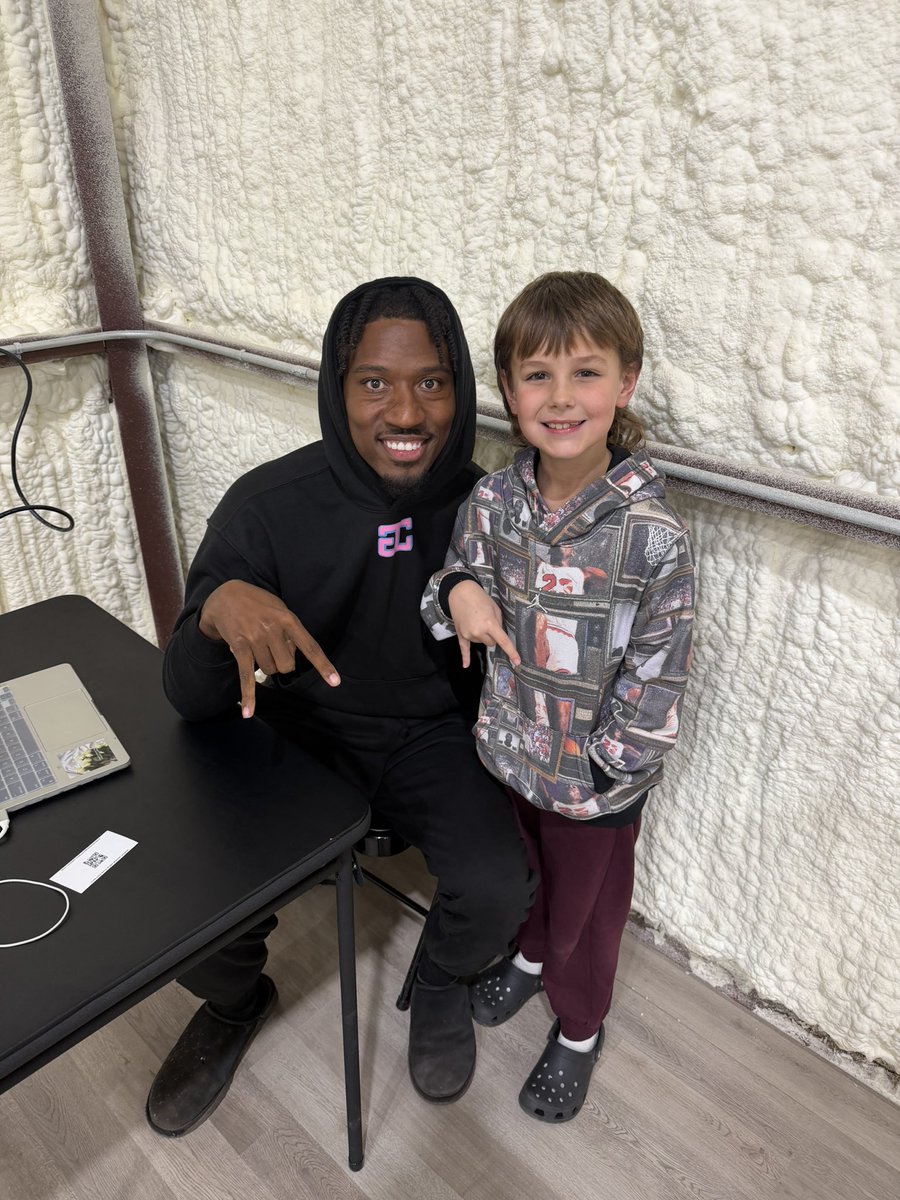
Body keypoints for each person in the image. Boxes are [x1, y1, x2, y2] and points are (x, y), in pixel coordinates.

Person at [147, 277, 534, 1136]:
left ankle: (440, 978)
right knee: (191, 915)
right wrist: (215, 612)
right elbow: (186, 698)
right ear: (337, 386)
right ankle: (236, 1003)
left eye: (432, 382)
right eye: (374, 383)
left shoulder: (487, 505)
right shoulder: (265, 506)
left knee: (497, 888)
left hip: (432, 734)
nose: (407, 411)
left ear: (461, 391)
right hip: (296, 734)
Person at [421, 271, 695, 1122]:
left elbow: (661, 669)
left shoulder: (652, 535)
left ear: (626, 382)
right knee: (529, 883)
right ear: (509, 392)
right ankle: (531, 957)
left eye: (586, 372)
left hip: (593, 784)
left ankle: (579, 1027)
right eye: (538, 375)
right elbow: (449, 582)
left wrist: (607, 770)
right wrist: (459, 590)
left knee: (588, 914)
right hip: (510, 753)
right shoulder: (491, 501)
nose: (562, 396)